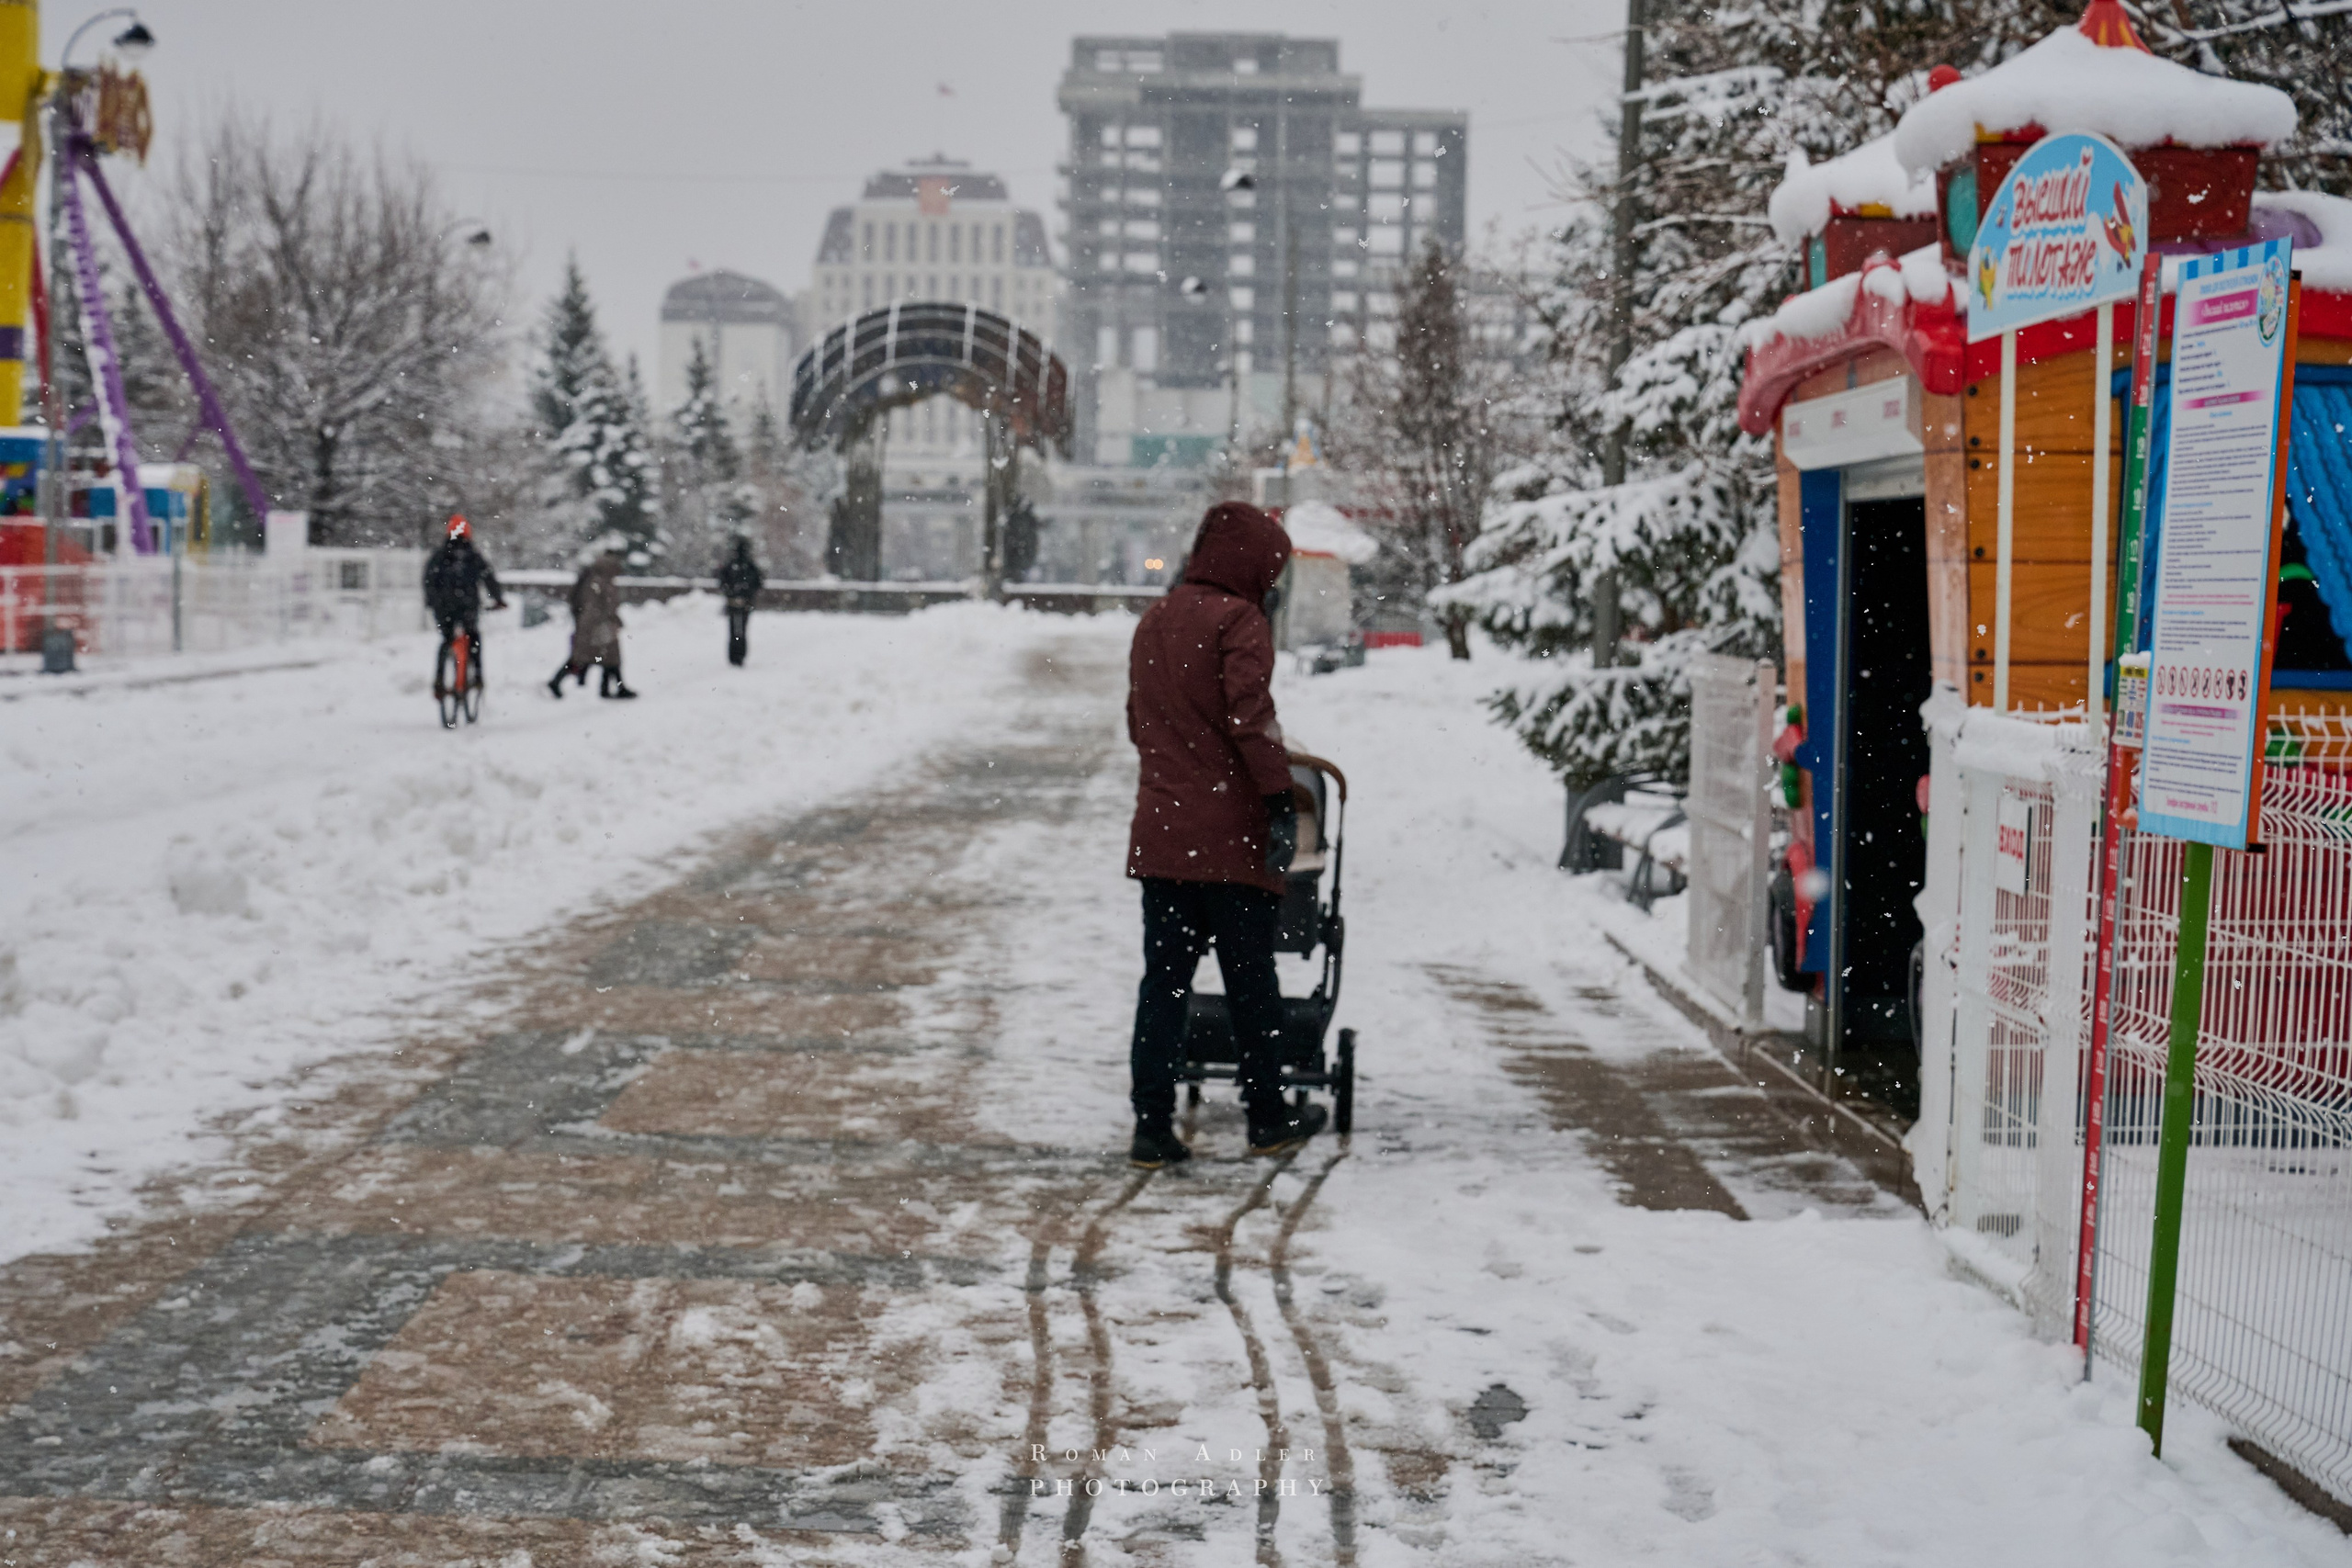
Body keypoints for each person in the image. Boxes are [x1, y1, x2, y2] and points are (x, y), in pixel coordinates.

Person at [1124, 501, 1325, 1168]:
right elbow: (1251, 719)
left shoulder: (1155, 618)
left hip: (1164, 837)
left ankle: (1152, 1123)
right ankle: (1266, 1116)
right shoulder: (1240, 620)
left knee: (1165, 985)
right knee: (1251, 983)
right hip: (1230, 841)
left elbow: (1139, 721)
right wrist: (1277, 798)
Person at [422, 514, 505, 691]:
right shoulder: (473, 556)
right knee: (473, 637)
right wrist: (497, 599)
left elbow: (429, 579)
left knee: (446, 640)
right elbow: (488, 577)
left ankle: (439, 680)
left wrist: (431, 601)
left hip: (443, 607)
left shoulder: (439, 555)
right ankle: (477, 676)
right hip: (468, 605)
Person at [548, 544, 636, 699]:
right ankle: (556, 682)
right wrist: (601, 623)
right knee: (590, 658)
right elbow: (594, 607)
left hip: (597, 626)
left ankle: (610, 688)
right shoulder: (598, 581)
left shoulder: (598, 578)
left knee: (606, 658)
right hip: (596, 628)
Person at [718, 535, 764, 667]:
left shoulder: (732, 565)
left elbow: (722, 582)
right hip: (744, 603)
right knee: (742, 629)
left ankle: (734, 656)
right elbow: (758, 583)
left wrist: (731, 593)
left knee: (733, 629)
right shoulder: (749, 566)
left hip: (735, 602)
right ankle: (739, 655)